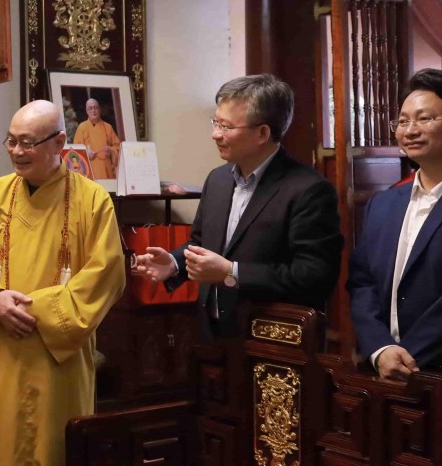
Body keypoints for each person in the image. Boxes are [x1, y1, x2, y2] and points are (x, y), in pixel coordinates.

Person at [0, 100, 126, 466]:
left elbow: (106, 275)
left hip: (59, 360)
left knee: (58, 461)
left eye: (28, 143)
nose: (17, 151)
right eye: (11, 141)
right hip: (1, 353)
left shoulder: (93, 200)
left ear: (60, 142)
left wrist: (36, 312)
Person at [132, 74, 341, 338]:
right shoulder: (218, 180)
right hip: (212, 334)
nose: (215, 134)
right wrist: (174, 263)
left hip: (272, 339)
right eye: (215, 122)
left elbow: (315, 277)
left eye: (226, 127)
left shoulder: (308, 190)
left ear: (263, 132)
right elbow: (201, 245)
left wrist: (233, 272)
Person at [349, 69, 442, 379]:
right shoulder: (382, 204)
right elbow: (362, 283)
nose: (409, 130)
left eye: (425, 119)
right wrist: (379, 349)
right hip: (378, 369)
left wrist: (405, 358)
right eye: (403, 121)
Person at [71, 98, 121, 179]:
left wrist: (111, 151)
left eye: (96, 108)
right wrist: (86, 155)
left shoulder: (108, 127)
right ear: (87, 111)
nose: (93, 111)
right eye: (90, 108)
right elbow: (75, 153)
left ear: (100, 110)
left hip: (106, 170)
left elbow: (118, 148)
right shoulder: (81, 128)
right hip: (88, 171)